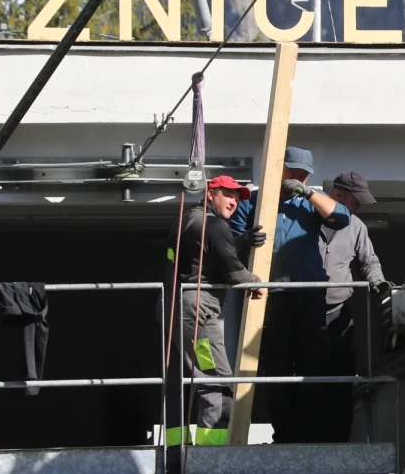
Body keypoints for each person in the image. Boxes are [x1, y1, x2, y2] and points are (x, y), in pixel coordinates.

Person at [230, 146, 350, 443]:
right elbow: (228, 244)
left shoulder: (309, 202)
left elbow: (342, 217)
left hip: (308, 296)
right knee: (276, 366)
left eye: (303, 175)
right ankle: (284, 435)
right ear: (278, 168)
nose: (297, 178)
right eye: (292, 172)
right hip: (268, 297)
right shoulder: (253, 201)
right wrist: (244, 239)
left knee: (313, 363)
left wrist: (307, 192)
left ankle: (312, 435)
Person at [164, 175, 263, 457]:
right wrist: (256, 282)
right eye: (228, 195)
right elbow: (234, 273)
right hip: (197, 316)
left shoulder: (186, 221)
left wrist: (241, 241)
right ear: (210, 194)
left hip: (173, 310)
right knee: (216, 382)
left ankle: (176, 452)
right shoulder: (216, 225)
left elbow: (204, 255)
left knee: (179, 381)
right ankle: (211, 456)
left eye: (237, 198)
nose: (233, 202)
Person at [314, 171, 389, 442]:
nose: (358, 208)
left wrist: (378, 282)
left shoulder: (356, 226)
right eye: (355, 201)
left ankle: (339, 442)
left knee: (341, 380)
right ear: (338, 195)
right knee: (304, 381)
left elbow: (369, 261)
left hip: (339, 314)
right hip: (302, 314)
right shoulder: (306, 218)